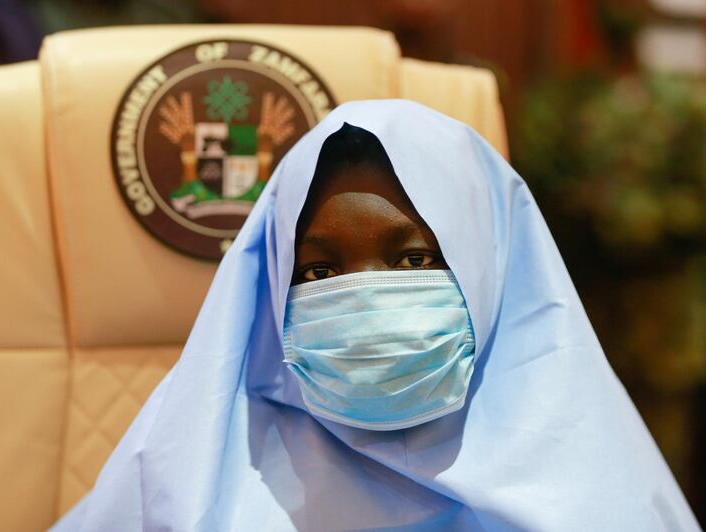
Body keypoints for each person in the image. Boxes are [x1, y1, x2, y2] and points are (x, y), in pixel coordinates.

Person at [52, 100, 698, 531]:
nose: (364, 302)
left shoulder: (603, 498)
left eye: (414, 260)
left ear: (489, 266)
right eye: (319, 272)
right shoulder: (183, 476)